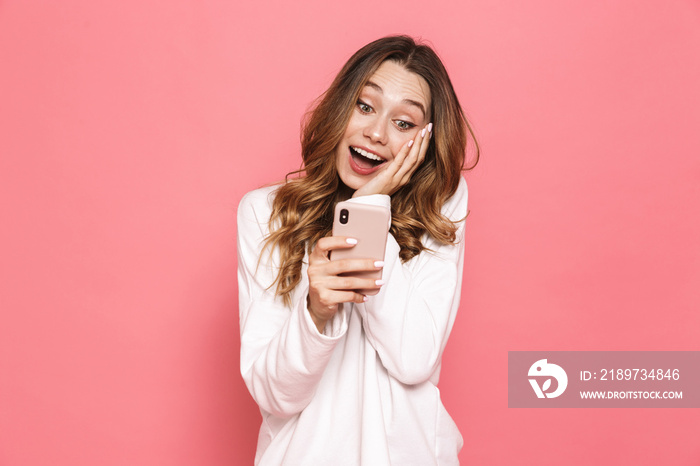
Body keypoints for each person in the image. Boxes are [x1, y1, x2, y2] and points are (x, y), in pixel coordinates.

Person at [237, 35, 479, 466]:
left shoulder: (440, 208)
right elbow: (275, 394)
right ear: (341, 107)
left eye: (404, 123)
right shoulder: (267, 214)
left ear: (424, 141)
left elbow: (413, 359)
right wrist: (315, 312)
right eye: (365, 106)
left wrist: (367, 209)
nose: (376, 132)